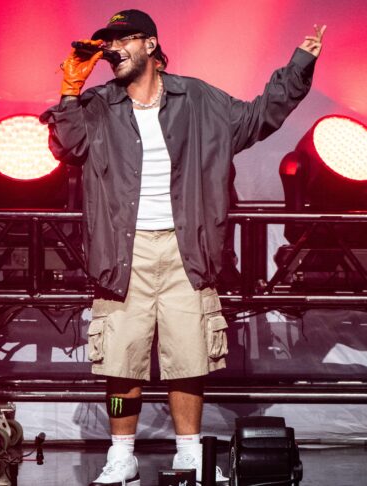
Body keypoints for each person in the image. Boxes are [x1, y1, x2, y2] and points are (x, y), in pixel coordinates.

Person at [40, 9, 324, 486]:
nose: (112, 49)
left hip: (184, 250)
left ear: (150, 45)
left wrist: (298, 66)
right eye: (107, 43)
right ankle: (122, 453)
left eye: (122, 40)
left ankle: (190, 454)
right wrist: (69, 90)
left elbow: (258, 116)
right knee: (119, 360)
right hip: (121, 254)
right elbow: (66, 146)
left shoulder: (198, 100)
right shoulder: (97, 105)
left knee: (187, 358)